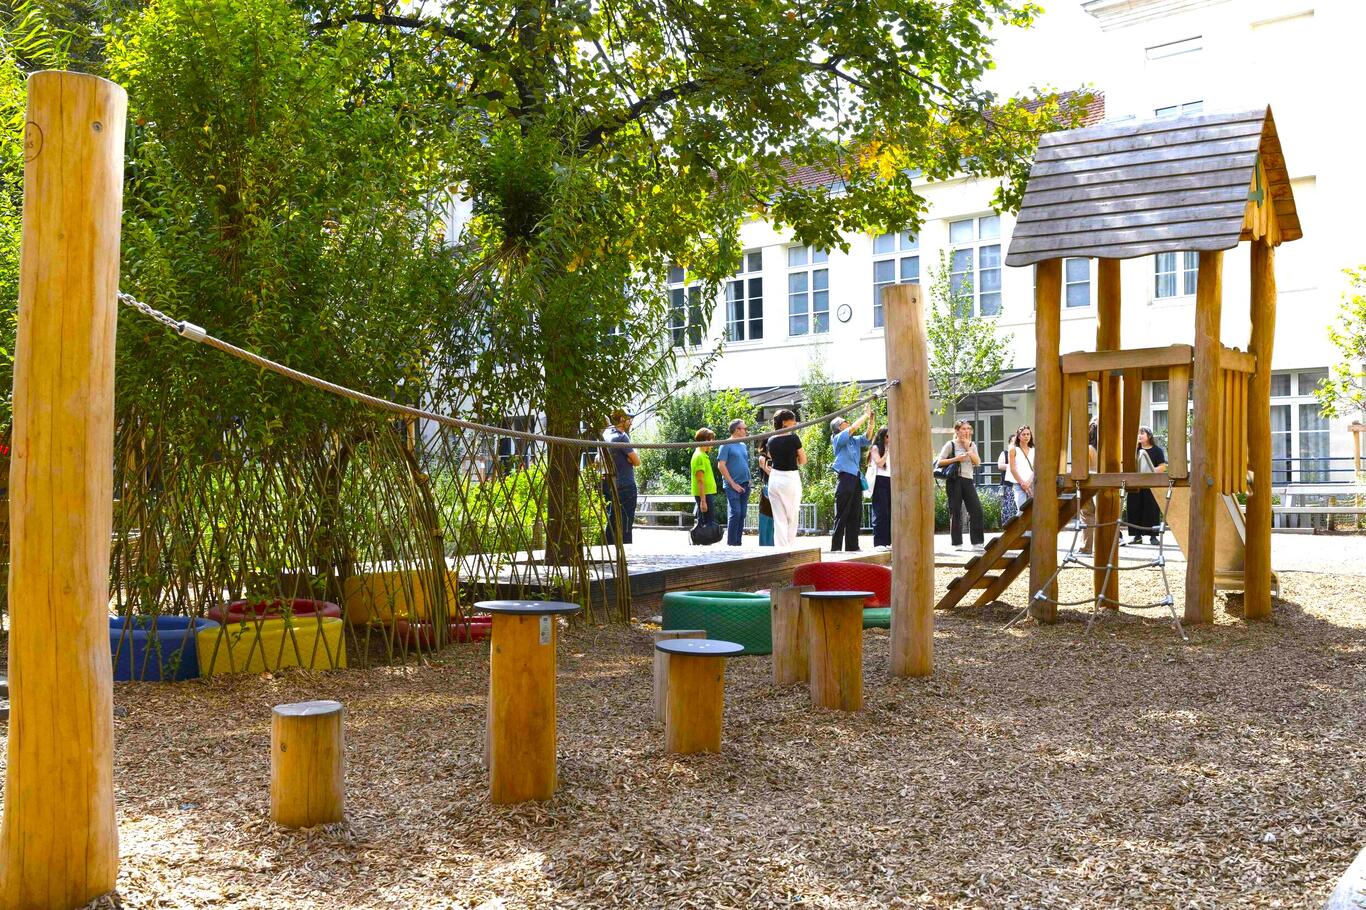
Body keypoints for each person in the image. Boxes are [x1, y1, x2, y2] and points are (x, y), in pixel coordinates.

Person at [829, 405, 876, 552]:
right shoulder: (837, 438)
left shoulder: (853, 440)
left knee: (855, 514)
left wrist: (871, 421)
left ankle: (852, 546)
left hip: (855, 479)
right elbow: (853, 428)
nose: (847, 422)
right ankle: (836, 548)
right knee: (842, 515)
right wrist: (865, 416)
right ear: (838, 427)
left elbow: (867, 437)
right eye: (844, 421)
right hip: (845, 479)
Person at [938, 420, 985, 551]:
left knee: (976, 510)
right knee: (956, 511)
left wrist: (969, 449)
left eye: (968, 429)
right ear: (957, 431)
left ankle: (977, 542)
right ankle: (957, 543)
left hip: (968, 480)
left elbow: (977, 462)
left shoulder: (972, 445)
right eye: (963, 429)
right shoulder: (950, 444)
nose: (966, 431)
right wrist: (956, 459)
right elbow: (939, 462)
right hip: (954, 480)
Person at [765, 409, 806, 546]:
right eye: (793, 420)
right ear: (784, 422)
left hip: (775, 478)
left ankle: (780, 549)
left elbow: (771, 456)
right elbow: (803, 460)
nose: (795, 422)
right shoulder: (793, 438)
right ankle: (789, 548)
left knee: (779, 518)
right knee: (792, 516)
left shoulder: (770, 439)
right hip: (789, 477)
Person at [602, 409, 641, 545]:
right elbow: (637, 461)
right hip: (626, 485)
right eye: (629, 419)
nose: (631, 422)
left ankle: (610, 550)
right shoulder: (622, 437)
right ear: (621, 420)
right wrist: (629, 458)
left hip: (611, 483)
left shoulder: (606, 435)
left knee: (612, 519)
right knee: (626, 522)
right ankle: (626, 552)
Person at [1125, 426, 1168, 545]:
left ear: (1149, 436)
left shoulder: (1157, 450)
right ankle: (1136, 536)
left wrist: (1151, 470)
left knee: (1152, 510)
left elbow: (1162, 466)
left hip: (1151, 486)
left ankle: (1153, 536)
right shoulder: (1133, 451)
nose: (1139, 436)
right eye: (1138, 434)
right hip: (1135, 485)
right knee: (1134, 509)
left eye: (1142, 433)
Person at [716, 418, 752, 547]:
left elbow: (743, 463)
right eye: (744, 428)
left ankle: (738, 543)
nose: (746, 430)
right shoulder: (725, 445)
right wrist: (732, 483)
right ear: (737, 430)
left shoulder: (742, 445)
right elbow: (721, 465)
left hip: (745, 484)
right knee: (735, 512)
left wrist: (749, 480)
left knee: (742, 514)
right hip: (732, 486)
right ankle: (731, 544)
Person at [690, 427, 718, 526]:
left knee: (705, 521)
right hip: (704, 494)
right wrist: (703, 501)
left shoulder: (703, 455)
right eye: (711, 439)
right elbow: (700, 480)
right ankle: (701, 541)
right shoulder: (699, 456)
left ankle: (702, 541)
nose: (713, 442)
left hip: (707, 493)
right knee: (706, 523)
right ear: (706, 440)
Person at [1080, 419, 1100, 555]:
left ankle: (1086, 547)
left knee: (1087, 514)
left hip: (1089, 483)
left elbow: (1083, 469)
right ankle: (1103, 547)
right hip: (1104, 482)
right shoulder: (1106, 449)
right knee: (1104, 515)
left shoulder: (1088, 449)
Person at [869, 426, 891, 548]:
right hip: (880, 480)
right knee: (880, 512)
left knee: (890, 512)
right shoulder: (876, 448)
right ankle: (879, 543)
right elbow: (880, 463)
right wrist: (887, 451)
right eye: (888, 436)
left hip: (890, 480)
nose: (890, 438)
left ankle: (888, 542)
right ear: (883, 436)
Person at [1009, 424, 1037, 511]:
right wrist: (1022, 483)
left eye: (1028, 434)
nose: (1026, 436)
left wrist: (1028, 482)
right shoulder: (1013, 449)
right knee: (1021, 511)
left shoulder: (1034, 450)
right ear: (1019, 436)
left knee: (1033, 511)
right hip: (1018, 485)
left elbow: (1036, 468)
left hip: (1032, 484)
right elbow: (1012, 469)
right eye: (1023, 434)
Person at [756, 441, 775, 546]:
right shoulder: (762, 458)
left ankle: (773, 543)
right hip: (767, 489)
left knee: (774, 517)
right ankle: (765, 544)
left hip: (776, 488)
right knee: (765, 515)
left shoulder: (777, 456)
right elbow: (769, 472)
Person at [998, 431, 1018, 526]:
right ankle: (1007, 526)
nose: (1014, 444)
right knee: (1007, 507)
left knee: (1017, 506)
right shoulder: (1004, 453)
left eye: (1016, 442)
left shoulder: (1020, 455)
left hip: (1019, 485)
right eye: (1013, 442)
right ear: (1009, 443)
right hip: (1007, 484)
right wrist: (1012, 466)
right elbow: (1000, 466)